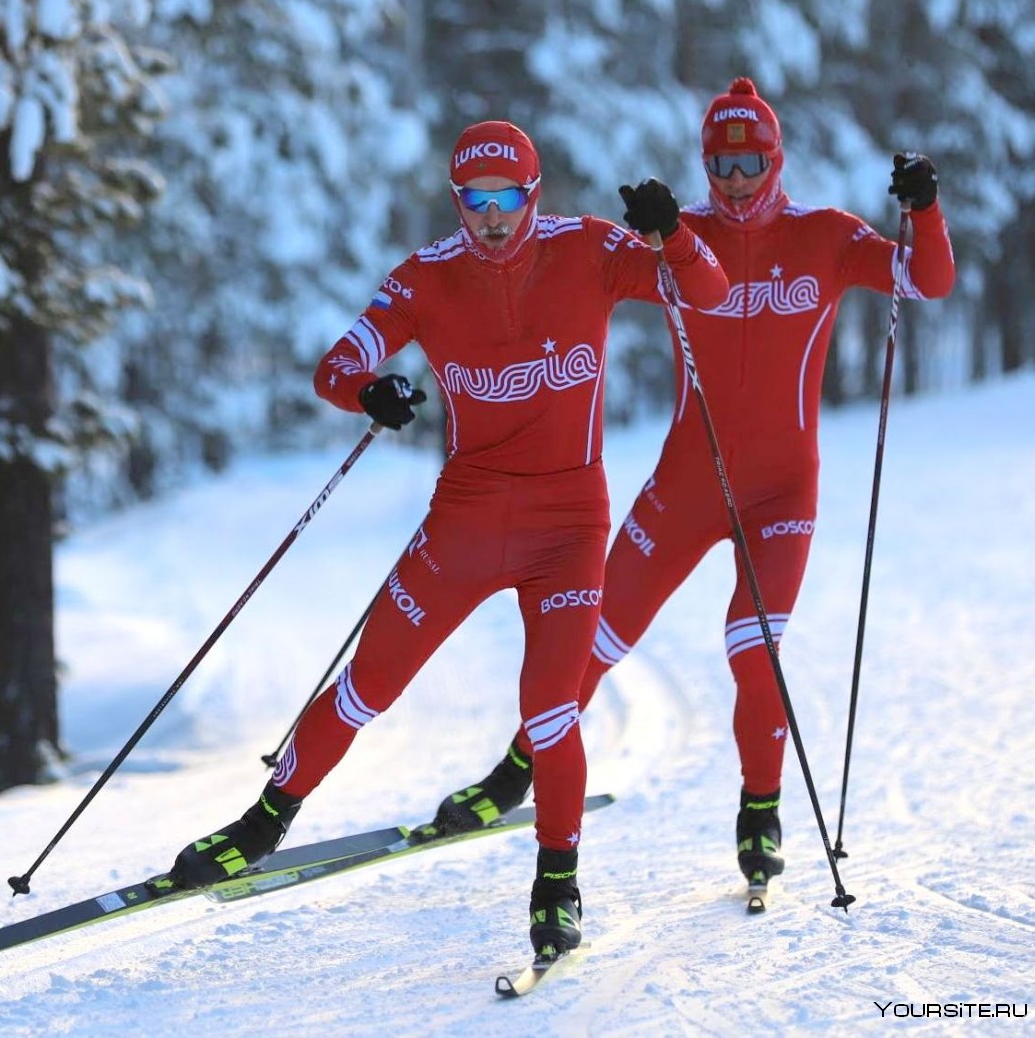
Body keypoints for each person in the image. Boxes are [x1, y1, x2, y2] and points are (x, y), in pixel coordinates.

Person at [166, 119, 729, 955]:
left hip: (569, 525)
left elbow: (711, 293)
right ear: (457, 200)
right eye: (476, 200)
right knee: (368, 684)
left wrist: (675, 234)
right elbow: (335, 365)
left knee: (550, 710)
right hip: (466, 521)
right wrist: (369, 392)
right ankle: (261, 822)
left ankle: (557, 885)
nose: (493, 216)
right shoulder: (427, 277)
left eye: (508, 198)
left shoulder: (591, 251)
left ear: (534, 193)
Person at [432, 77, 956, 891]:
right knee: (595, 639)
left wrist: (924, 209)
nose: (737, 179)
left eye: (751, 161)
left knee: (753, 650)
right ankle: (516, 770)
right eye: (722, 163)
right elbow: (563, 265)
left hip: (782, 492)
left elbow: (927, 281)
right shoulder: (681, 239)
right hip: (686, 485)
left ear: (775, 160)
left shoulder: (823, 237)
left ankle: (759, 812)